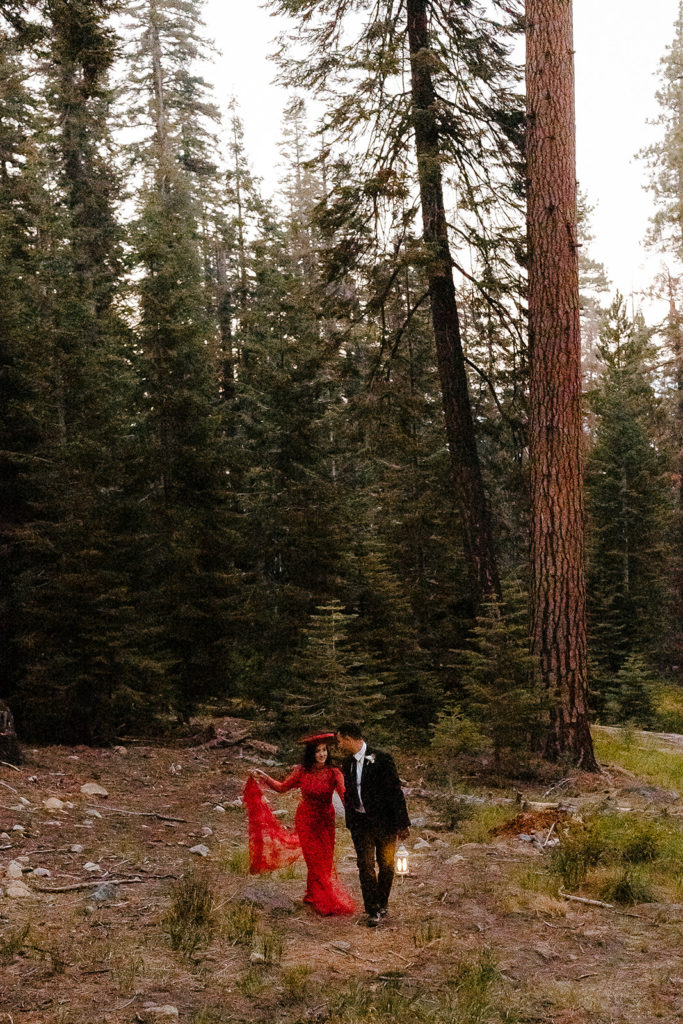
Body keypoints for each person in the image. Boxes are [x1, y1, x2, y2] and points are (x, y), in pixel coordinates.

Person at [244, 733, 355, 916]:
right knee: (314, 861)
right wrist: (264, 777)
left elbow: (344, 796)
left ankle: (313, 895)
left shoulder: (334, 772)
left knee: (325, 861)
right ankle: (325, 898)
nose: (322, 754)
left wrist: (358, 812)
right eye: (318, 751)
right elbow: (282, 787)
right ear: (311, 753)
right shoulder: (302, 771)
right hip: (306, 820)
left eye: (324, 750)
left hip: (326, 821)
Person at [336, 721, 410, 927]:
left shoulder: (382, 758)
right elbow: (349, 793)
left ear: (349, 739)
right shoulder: (348, 763)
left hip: (384, 824)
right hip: (361, 825)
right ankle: (372, 909)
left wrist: (402, 824)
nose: (339, 745)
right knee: (365, 865)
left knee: (386, 865)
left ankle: (382, 902)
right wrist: (351, 820)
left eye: (340, 740)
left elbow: (395, 791)